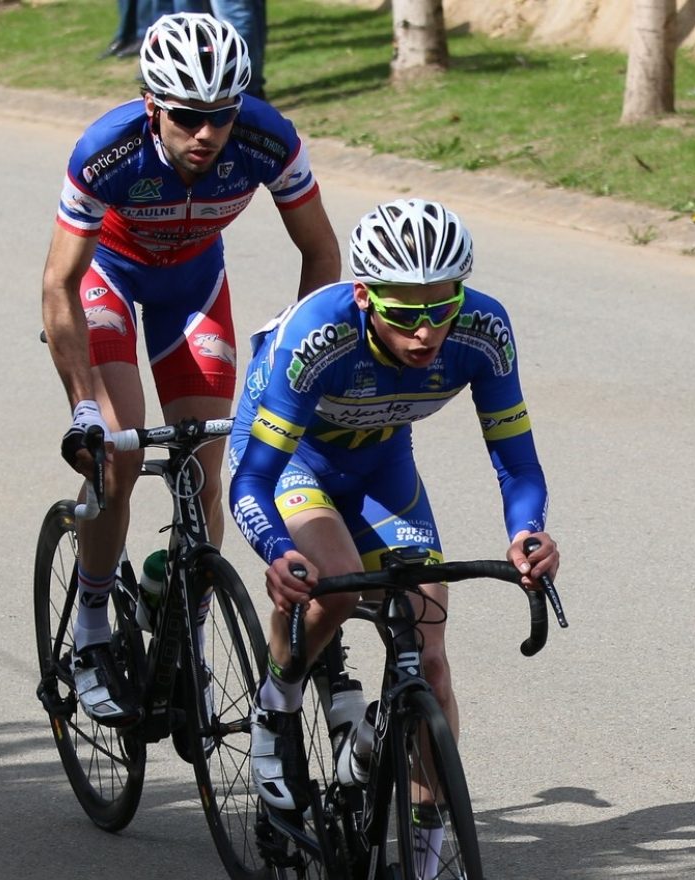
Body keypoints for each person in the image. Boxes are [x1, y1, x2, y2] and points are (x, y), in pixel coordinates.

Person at [44, 12, 341, 726]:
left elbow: (321, 253)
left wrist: (301, 367)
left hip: (194, 286)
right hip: (109, 279)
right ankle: (91, 627)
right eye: (185, 117)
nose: (206, 134)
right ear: (153, 107)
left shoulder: (268, 139)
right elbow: (60, 282)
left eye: (221, 116)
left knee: (207, 470)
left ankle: (187, 636)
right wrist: (83, 406)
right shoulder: (107, 150)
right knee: (117, 453)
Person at [226, 198, 561, 812]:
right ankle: (275, 707)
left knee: (429, 657)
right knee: (335, 585)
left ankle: (429, 851)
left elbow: (516, 463)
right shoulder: (318, 337)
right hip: (293, 460)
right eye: (405, 315)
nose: (426, 332)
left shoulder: (484, 330)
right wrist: (276, 551)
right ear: (364, 296)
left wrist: (527, 533)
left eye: (442, 309)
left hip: (382, 461)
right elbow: (252, 480)